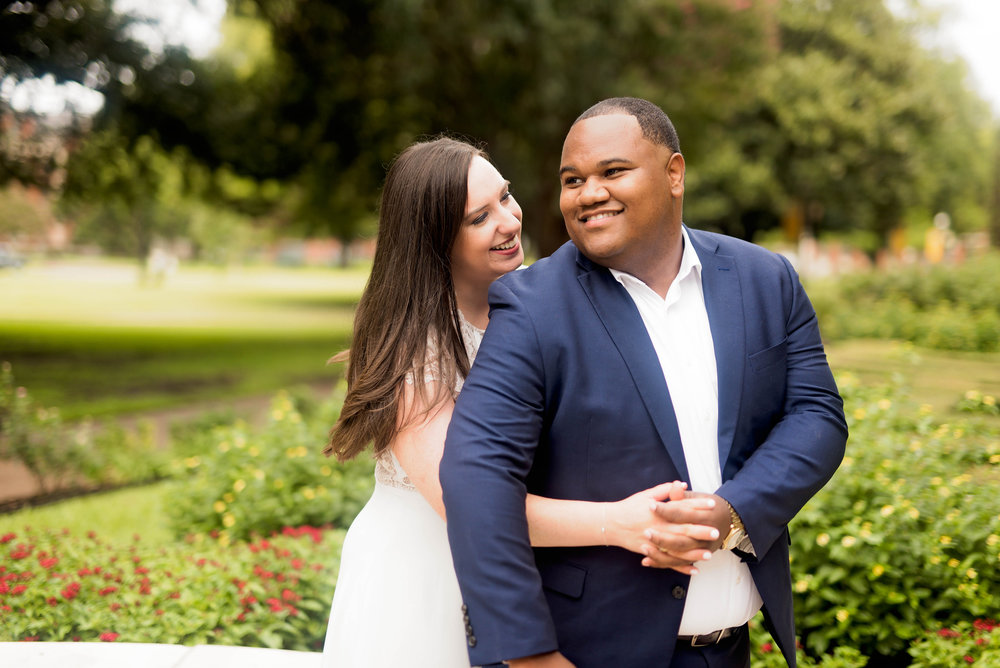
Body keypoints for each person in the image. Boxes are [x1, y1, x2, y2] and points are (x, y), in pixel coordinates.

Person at [440, 98, 849, 668]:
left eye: (612, 172)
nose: (588, 193)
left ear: (674, 173)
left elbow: (816, 416)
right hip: (586, 654)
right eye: (572, 180)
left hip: (729, 652)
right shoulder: (533, 307)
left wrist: (731, 513)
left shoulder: (765, 278)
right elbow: (476, 474)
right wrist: (530, 656)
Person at [320, 136, 704, 667]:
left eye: (506, 196)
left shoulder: (534, 303)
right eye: (479, 218)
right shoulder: (416, 350)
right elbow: (470, 505)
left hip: (535, 579)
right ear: (431, 240)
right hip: (428, 578)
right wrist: (618, 522)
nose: (509, 221)